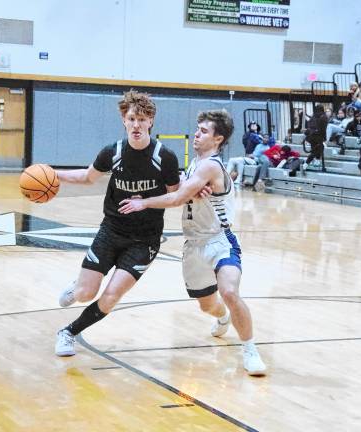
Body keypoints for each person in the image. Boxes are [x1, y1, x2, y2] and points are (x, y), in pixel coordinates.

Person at [118, 109, 267, 376]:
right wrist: (188, 187)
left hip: (220, 239)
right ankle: (222, 317)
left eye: (204, 131)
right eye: (197, 129)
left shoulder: (211, 165)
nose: (197, 134)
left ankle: (250, 349)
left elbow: (175, 199)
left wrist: (143, 202)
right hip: (193, 244)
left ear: (218, 139)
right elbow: (179, 190)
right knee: (207, 305)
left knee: (230, 292)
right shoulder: (194, 164)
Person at [54, 90, 181, 356]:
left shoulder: (164, 157)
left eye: (142, 119)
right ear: (124, 120)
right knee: (86, 293)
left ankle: (68, 332)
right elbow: (88, 177)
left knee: (111, 297)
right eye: (131, 118)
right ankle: (78, 286)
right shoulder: (113, 152)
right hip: (112, 230)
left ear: (151, 121)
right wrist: (53, 174)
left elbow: (176, 197)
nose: (136, 125)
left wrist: (144, 202)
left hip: (144, 240)